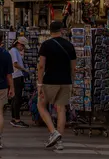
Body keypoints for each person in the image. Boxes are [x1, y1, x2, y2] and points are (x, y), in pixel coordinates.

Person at [37, 21, 76, 151]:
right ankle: (59, 142)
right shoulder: (70, 45)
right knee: (61, 109)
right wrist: (72, 81)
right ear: (62, 30)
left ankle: (53, 132)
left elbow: (41, 66)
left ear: (50, 30)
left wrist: (39, 83)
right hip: (65, 81)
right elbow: (73, 68)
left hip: (49, 81)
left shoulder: (46, 45)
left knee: (41, 105)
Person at [9, 36, 30, 128]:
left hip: (16, 76)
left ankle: (14, 118)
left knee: (16, 98)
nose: (23, 48)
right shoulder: (14, 51)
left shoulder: (15, 51)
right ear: (18, 44)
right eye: (23, 46)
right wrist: (25, 69)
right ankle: (16, 119)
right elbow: (15, 64)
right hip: (16, 76)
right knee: (17, 98)